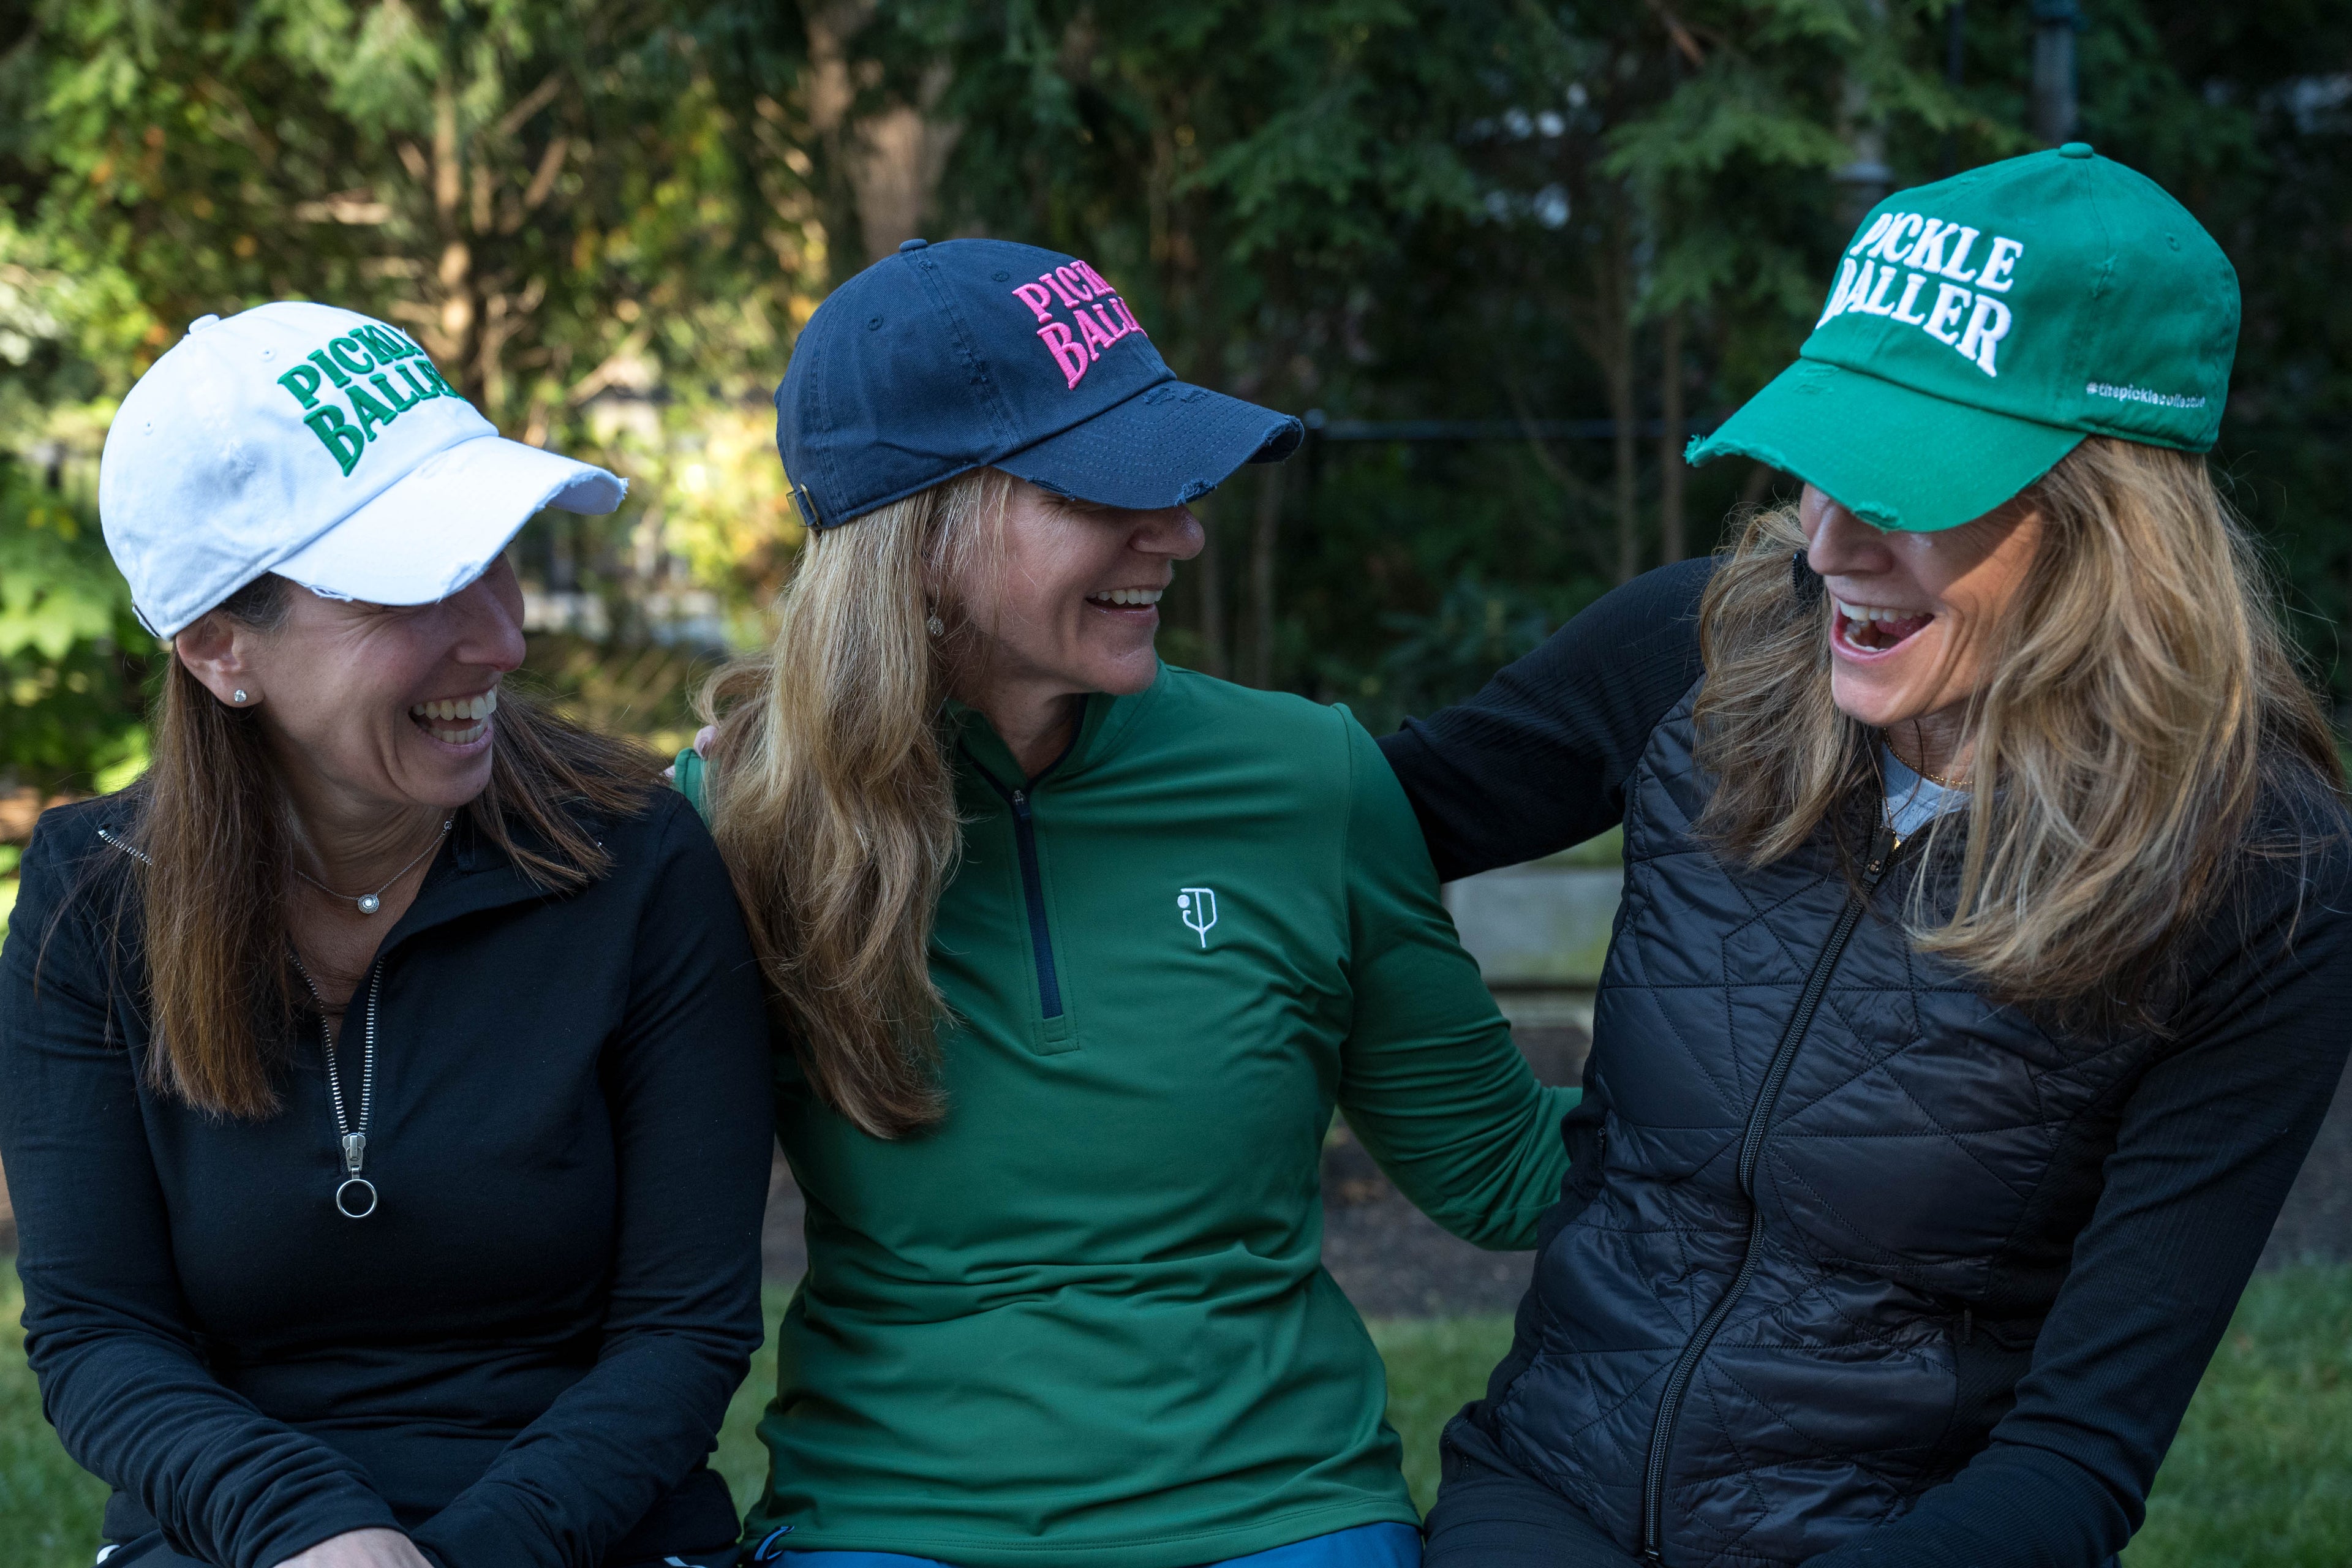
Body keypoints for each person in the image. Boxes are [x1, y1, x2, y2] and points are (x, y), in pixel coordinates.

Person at [1377, 145, 2352, 1568]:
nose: (1826, 543)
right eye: (1825, 463)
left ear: (2110, 528)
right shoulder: (1696, 649)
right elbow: (1338, 828)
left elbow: (2077, 1456)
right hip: (1546, 1490)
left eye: (1902, 487)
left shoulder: (2259, 873)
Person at [671, 238, 1575, 1568]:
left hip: (1279, 1510)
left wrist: (1836, 1123)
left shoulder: (1305, 774)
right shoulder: (735, 818)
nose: (1182, 531)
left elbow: (1502, 1171)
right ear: (923, 539)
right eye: (1111, 487)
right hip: (890, 1518)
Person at [0, 303, 774, 1568]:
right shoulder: (95, 900)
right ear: (217, 648)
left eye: (498, 556)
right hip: (237, 1541)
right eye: (416, 585)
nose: (503, 636)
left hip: (590, 1536)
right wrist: (315, 1530)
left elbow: (682, 1334)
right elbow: (98, 1334)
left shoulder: (632, 854)